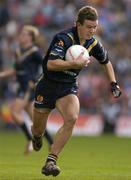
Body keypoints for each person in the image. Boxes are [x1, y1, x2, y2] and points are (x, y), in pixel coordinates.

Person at [31, 6, 121, 176]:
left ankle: (51, 161)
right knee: (38, 129)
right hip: (47, 85)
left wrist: (113, 83)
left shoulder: (93, 43)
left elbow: (106, 62)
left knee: (72, 118)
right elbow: (51, 64)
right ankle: (36, 137)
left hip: (67, 86)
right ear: (77, 24)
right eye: (88, 27)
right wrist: (74, 64)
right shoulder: (63, 38)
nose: (92, 31)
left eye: (94, 27)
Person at [0, 25, 53, 154]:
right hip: (20, 85)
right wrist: (1, 75)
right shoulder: (18, 51)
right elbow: (15, 70)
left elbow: (46, 66)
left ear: (31, 37)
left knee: (14, 112)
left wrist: (36, 80)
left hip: (28, 86)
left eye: (24, 34)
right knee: (36, 122)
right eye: (21, 34)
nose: (21, 36)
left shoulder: (35, 52)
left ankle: (30, 139)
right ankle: (51, 142)